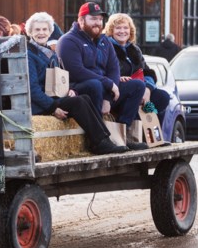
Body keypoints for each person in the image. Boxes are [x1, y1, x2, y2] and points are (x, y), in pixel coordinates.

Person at [25, 12, 127, 155]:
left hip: (53, 97)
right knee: (78, 102)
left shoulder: (49, 53)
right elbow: (32, 89)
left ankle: (105, 139)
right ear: (30, 32)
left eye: (44, 29)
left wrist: (68, 90)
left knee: (83, 97)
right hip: (40, 104)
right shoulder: (29, 54)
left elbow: (58, 80)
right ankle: (99, 142)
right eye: (37, 30)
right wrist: (53, 107)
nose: (41, 33)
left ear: (50, 31)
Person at [57, 1, 148, 149]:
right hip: (79, 88)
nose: (97, 22)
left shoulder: (104, 40)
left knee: (138, 86)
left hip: (103, 88)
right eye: (93, 19)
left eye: (100, 19)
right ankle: (99, 141)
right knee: (95, 84)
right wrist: (109, 84)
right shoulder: (68, 41)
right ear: (81, 20)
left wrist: (108, 97)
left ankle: (122, 136)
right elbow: (77, 71)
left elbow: (114, 69)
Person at [104, 13, 171, 124]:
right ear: (111, 30)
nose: (122, 31)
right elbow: (101, 70)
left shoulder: (134, 49)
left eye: (125, 28)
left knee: (162, 96)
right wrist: (118, 77)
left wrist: (148, 89)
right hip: (116, 90)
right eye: (118, 28)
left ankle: (153, 134)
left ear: (130, 31)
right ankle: (126, 128)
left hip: (139, 88)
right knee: (136, 86)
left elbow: (147, 72)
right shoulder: (105, 47)